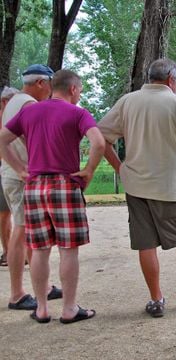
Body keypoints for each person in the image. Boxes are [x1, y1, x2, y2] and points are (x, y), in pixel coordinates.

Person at [98, 58, 176, 318]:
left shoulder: (128, 101)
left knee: (146, 244)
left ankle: (156, 300)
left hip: (136, 185)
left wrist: (120, 167)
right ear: (172, 79)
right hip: (170, 188)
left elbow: (100, 136)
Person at [0, 69, 104, 323]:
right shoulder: (78, 113)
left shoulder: (30, 111)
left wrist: (20, 169)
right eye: (80, 90)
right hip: (65, 183)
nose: (79, 95)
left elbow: (1, 139)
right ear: (72, 89)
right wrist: (89, 170)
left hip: (34, 186)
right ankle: (69, 309)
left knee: (39, 249)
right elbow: (99, 142)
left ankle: (42, 309)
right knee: (69, 250)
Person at [1, 65, 63, 310]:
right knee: (22, 230)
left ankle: (43, 286)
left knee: (28, 232)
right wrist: (22, 169)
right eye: (50, 84)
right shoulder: (28, 104)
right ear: (40, 83)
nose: (51, 90)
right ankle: (16, 294)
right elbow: (35, 141)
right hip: (21, 177)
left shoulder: (15, 101)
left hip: (17, 174)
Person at [0, 87, 17, 266]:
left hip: (11, 170)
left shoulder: (14, 119)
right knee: (5, 214)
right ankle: (7, 252)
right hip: (5, 170)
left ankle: (13, 252)